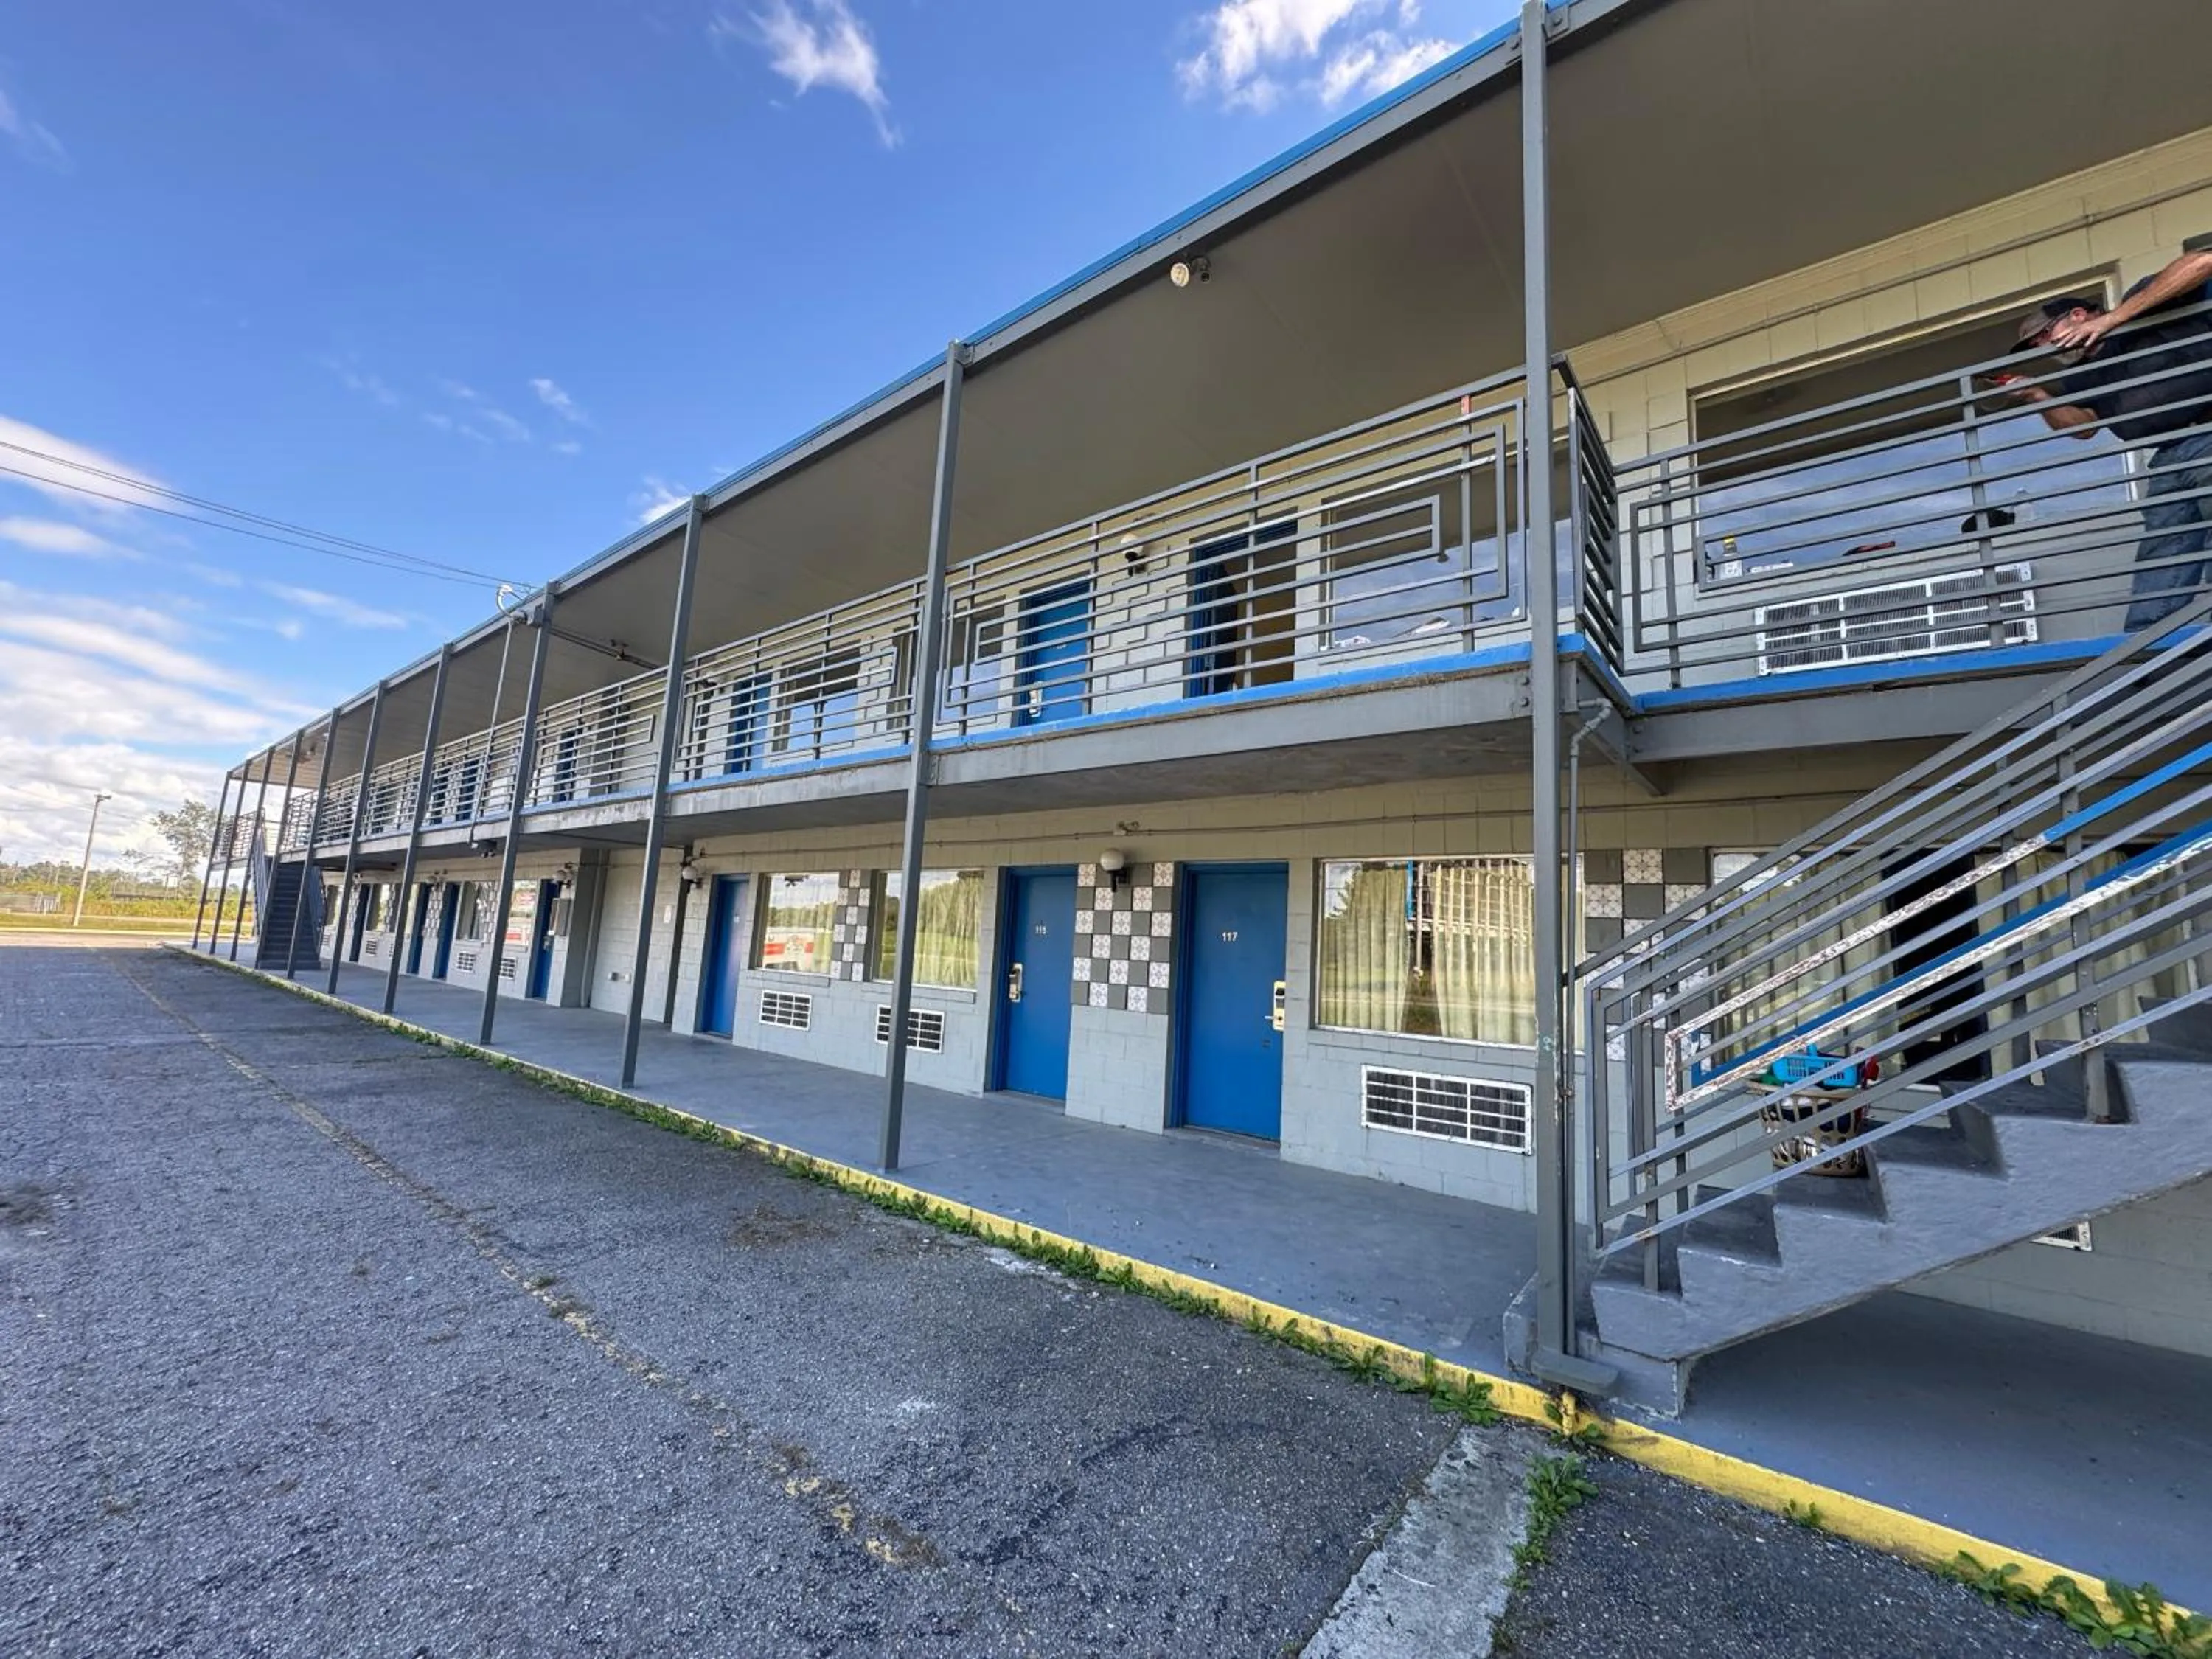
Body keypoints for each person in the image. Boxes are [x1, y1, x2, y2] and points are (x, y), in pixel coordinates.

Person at [2003, 248, 2212, 629]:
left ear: (2079, 316)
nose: (2044, 347)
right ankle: (2144, 653)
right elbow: (2083, 426)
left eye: (2046, 335)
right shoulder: (2082, 376)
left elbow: (2203, 262)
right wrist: (2038, 395)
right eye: (2037, 346)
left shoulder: (2142, 306)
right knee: (2162, 552)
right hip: (2168, 456)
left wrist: (2115, 319)